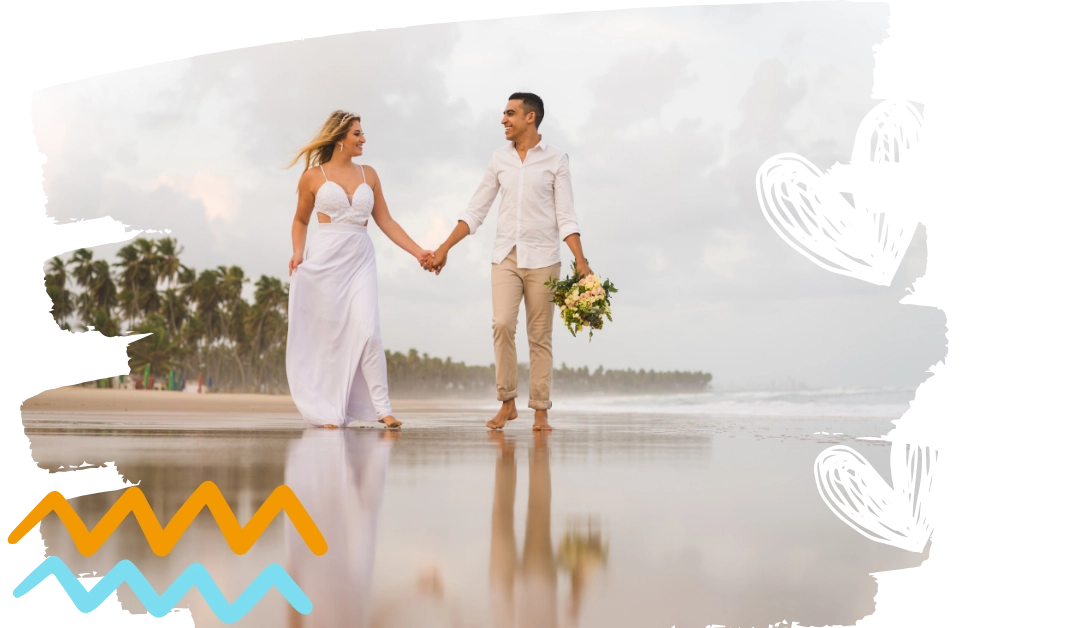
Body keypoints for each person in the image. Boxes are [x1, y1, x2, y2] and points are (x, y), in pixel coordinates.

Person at [424, 93, 592, 432]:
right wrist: (444, 248)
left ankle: (541, 411)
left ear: (530, 117)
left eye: (510, 113)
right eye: (504, 113)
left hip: (544, 259)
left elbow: (566, 215)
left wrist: (581, 262)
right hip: (505, 256)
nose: (503, 119)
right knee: (502, 324)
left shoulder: (557, 159)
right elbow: (476, 210)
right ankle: (508, 402)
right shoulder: (499, 159)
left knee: (540, 335)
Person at [286, 110, 433, 429]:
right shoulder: (313, 176)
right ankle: (328, 411)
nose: (363, 139)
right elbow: (300, 220)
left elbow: (386, 221)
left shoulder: (370, 174)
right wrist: (298, 253)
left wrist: (418, 251)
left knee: (368, 332)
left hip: (360, 258)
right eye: (357, 134)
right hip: (325, 259)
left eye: (362, 133)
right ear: (340, 138)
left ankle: (382, 408)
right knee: (329, 337)